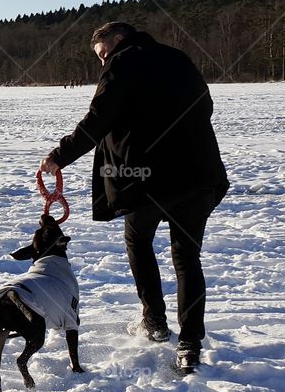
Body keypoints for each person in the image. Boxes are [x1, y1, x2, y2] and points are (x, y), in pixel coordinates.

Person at [39, 21, 229, 373]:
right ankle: (189, 345)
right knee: (187, 258)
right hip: (200, 174)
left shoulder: (123, 61)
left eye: (102, 53)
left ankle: (155, 322)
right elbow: (206, 107)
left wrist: (58, 156)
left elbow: (98, 120)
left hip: (149, 180)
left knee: (138, 241)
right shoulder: (178, 58)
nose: (102, 61)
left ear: (118, 40)